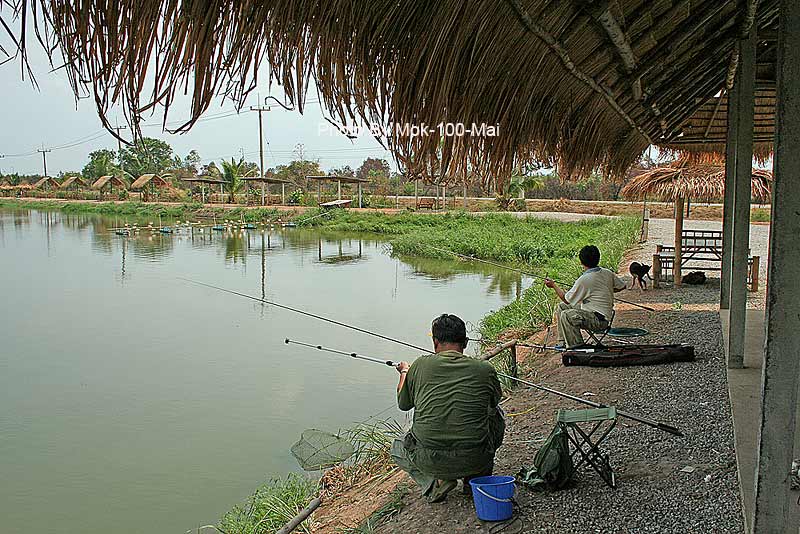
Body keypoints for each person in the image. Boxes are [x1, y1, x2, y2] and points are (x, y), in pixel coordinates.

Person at [390, 314, 505, 503]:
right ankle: (475, 480)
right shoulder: (485, 369)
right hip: (476, 457)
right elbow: (494, 403)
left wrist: (404, 372)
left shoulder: (419, 365)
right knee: (496, 414)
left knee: (397, 447)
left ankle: (432, 484)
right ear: (465, 342)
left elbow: (403, 405)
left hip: (430, 459)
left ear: (435, 342)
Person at [544, 245, 626, 348]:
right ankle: (562, 341)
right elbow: (622, 286)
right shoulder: (607, 272)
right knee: (561, 307)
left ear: (581, 262)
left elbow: (566, 299)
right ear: (598, 258)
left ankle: (576, 346)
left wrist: (553, 285)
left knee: (566, 315)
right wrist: (605, 290)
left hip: (599, 321)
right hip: (597, 314)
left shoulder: (584, 279)